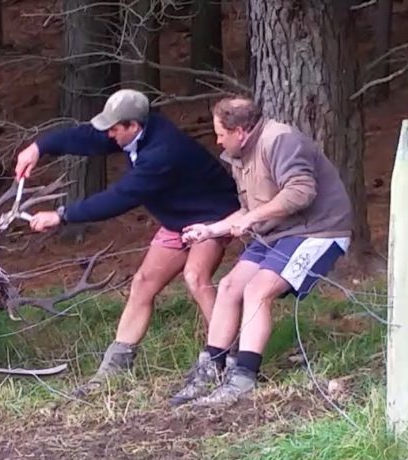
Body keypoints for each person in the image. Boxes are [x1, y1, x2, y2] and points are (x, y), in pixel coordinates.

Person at [15, 89, 241, 396]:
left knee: (196, 277)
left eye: (113, 128)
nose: (108, 134)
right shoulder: (133, 131)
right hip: (177, 220)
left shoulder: (162, 152)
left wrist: (62, 215)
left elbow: (120, 198)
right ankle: (114, 369)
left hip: (212, 216)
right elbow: (88, 138)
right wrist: (39, 147)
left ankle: (225, 360)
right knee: (143, 283)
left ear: (132, 126)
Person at [170, 96, 354, 408]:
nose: (217, 141)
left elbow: (300, 192)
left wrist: (253, 219)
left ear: (240, 131)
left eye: (220, 134)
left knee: (258, 290)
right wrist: (211, 230)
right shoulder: (241, 154)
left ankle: (243, 378)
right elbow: (247, 208)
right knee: (229, 286)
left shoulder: (280, 141)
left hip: (317, 230)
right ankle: (211, 369)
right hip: (277, 232)